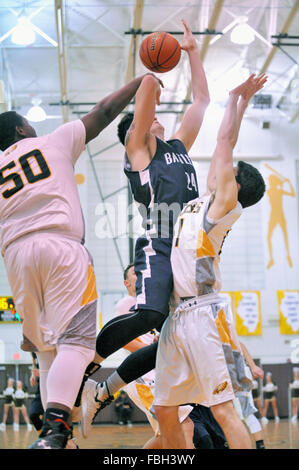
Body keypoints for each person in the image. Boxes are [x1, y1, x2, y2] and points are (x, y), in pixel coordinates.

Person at [0, 72, 157, 449]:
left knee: (46, 346)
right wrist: (139, 84)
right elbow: (103, 111)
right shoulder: (52, 142)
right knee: (78, 344)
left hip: (16, 257)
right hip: (60, 246)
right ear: (23, 131)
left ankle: (51, 436)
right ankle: (57, 426)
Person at [81, 18, 210, 426]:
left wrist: (190, 53)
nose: (156, 119)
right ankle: (86, 360)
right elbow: (145, 102)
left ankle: (107, 388)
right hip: (159, 243)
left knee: (175, 339)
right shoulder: (138, 151)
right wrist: (150, 77)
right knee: (150, 316)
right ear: (135, 131)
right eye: (148, 119)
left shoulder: (177, 147)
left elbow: (201, 103)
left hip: (189, 250)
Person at [152, 73, 267, 449]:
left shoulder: (224, 208)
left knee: (223, 411)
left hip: (204, 314)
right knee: (166, 410)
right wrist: (236, 99)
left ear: (235, 186)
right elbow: (224, 142)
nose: (219, 168)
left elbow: (224, 140)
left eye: (228, 171)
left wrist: (238, 102)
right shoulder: (203, 201)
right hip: (177, 317)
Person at [83, 263, 226, 450]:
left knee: (170, 433)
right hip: (144, 378)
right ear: (127, 282)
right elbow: (124, 341)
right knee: (184, 427)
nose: (140, 274)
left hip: (161, 374)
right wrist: (154, 349)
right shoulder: (127, 303)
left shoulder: (154, 307)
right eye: (135, 273)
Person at [234, 343, 266, 449]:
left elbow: (239, 344)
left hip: (237, 374)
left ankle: (260, 446)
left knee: (246, 414)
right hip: (227, 375)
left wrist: (252, 366)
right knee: (227, 414)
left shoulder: (220, 330)